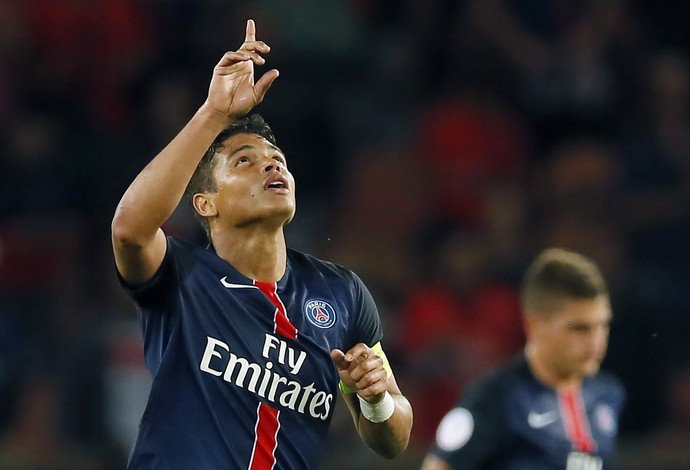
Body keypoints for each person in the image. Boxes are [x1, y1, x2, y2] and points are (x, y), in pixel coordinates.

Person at [110, 19, 413, 469]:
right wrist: (214, 114)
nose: (271, 167)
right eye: (245, 161)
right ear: (206, 203)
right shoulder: (182, 277)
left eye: (277, 160)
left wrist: (374, 401)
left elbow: (394, 438)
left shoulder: (342, 295)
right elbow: (129, 230)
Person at [421, 248, 625, 470]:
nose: (596, 342)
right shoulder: (496, 397)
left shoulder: (607, 394)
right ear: (535, 326)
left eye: (602, 326)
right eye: (579, 328)